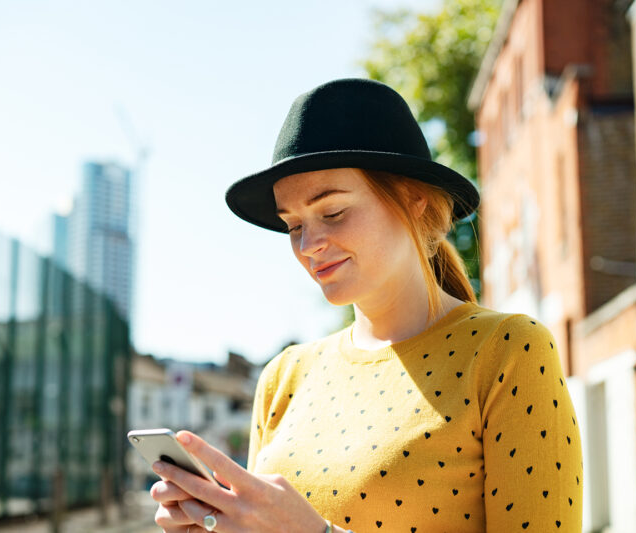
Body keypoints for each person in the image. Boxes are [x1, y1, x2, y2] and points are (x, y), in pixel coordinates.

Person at [149, 78, 583, 532]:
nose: (309, 245)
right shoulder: (284, 376)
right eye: (293, 225)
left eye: (332, 212)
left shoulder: (509, 351)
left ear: (415, 199)